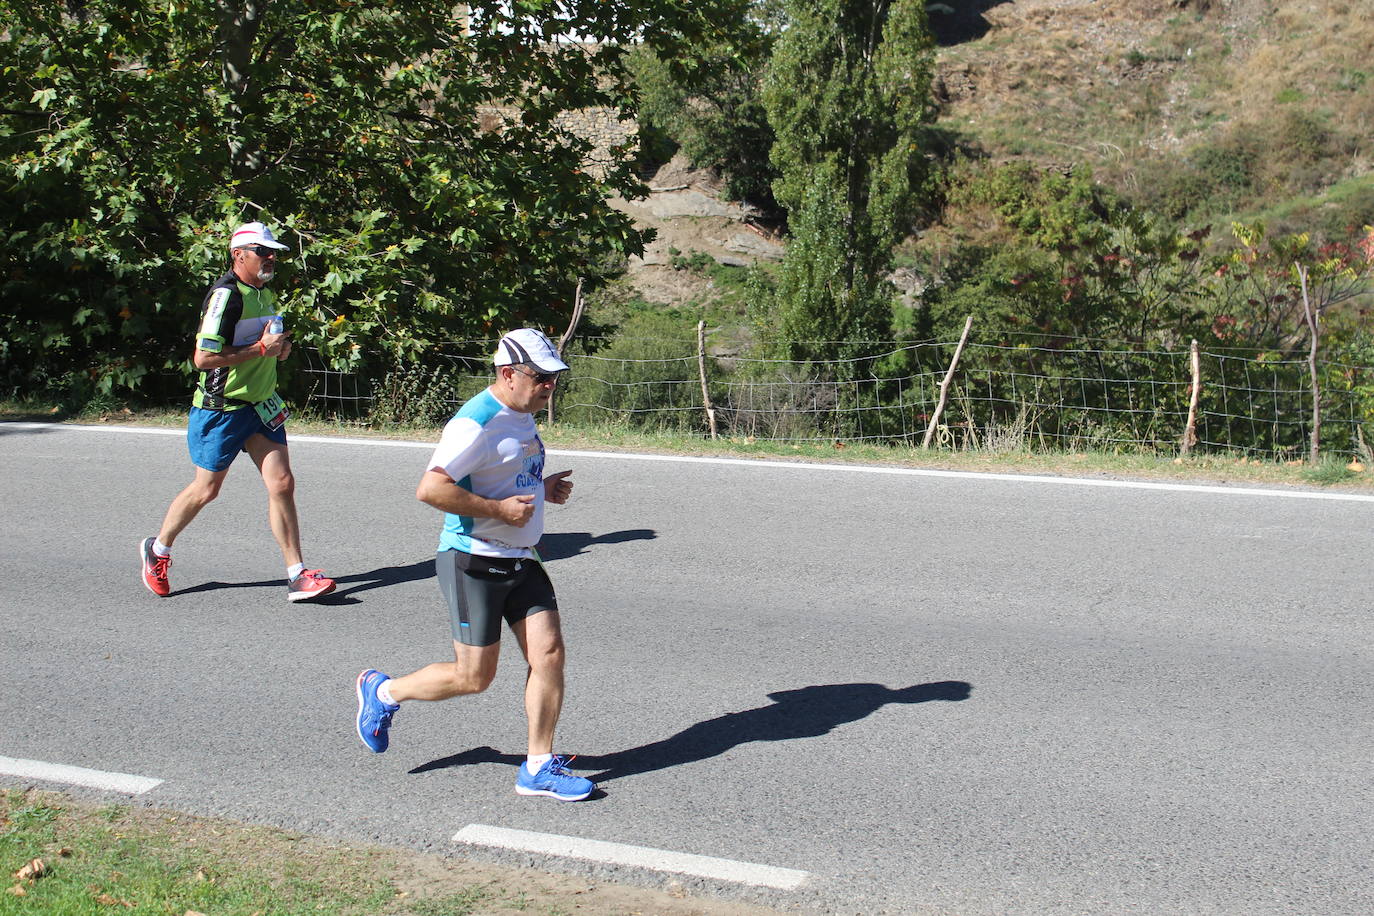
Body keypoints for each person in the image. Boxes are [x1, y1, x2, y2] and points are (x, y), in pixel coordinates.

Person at [354, 328, 594, 802]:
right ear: (508, 374)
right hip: (473, 561)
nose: (549, 386)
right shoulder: (474, 423)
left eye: (554, 378)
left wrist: (541, 489)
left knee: (549, 654)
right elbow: (431, 489)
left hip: (521, 558)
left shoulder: (522, 413)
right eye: (540, 377)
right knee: (474, 678)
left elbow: (501, 473)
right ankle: (383, 693)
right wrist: (500, 511)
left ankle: (538, 766)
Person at [138, 221, 336, 603]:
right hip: (223, 409)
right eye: (262, 252)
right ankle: (158, 550)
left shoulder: (264, 293)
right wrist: (261, 350)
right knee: (206, 489)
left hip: (261, 406)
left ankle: (297, 575)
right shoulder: (225, 297)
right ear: (238, 255)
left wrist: (280, 349)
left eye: (272, 252)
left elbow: (265, 343)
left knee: (282, 484)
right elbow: (203, 358)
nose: (270, 258)